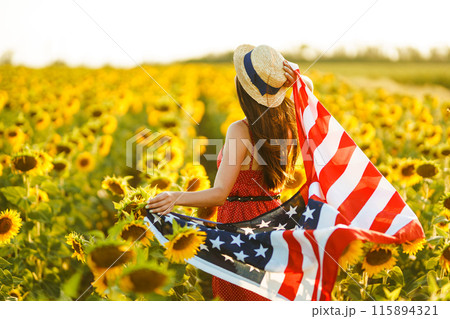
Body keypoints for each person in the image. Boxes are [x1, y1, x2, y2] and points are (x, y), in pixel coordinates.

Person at [145, 44, 314, 300]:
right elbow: (309, 92)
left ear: (244, 90)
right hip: (275, 220)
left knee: (240, 297)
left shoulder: (241, 130)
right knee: (268, 294)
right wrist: (290, 81)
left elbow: (219, 194)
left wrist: (174, 197)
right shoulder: (292, 119)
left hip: (239, 224)